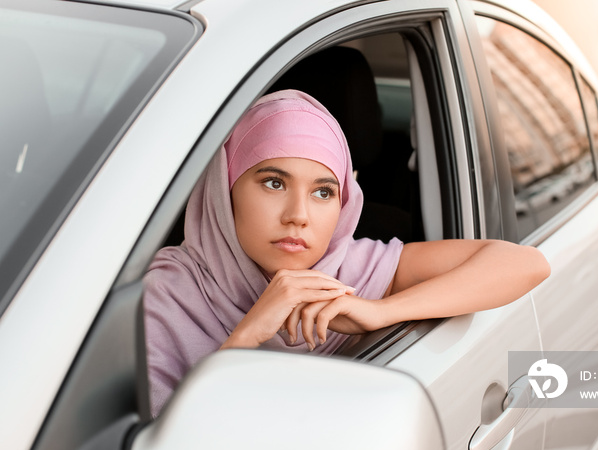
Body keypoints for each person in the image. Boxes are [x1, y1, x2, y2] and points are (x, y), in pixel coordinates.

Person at [143, 89, 550, 417]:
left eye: (323, 192)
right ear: (224, 189)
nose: (298, 216)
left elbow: (527, 263)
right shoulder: (165, 294)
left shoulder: (352, 272)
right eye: (273, 183)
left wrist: (381, 311)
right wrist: (246, 338)